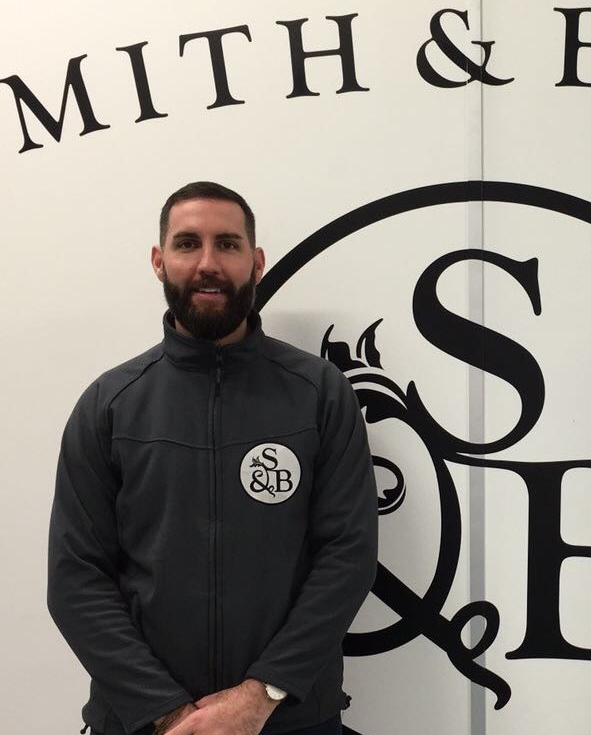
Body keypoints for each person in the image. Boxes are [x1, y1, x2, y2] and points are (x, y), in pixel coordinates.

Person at [48, 181, 379, 735]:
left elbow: (348, 557)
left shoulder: (319, 394)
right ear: (159, 261)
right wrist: (169, 712)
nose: (208, 263)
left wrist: (260, 696)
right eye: (187, 244)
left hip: (289, 719)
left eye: (227, 244)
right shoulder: (110, 404)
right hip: (144, 723)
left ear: (256, 261)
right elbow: (75, 579)